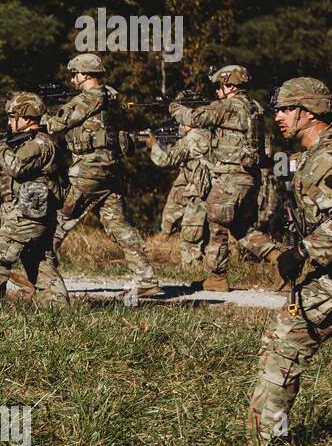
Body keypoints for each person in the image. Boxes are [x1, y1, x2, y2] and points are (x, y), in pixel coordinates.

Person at [247, 78, 332, 446]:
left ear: (309, 112)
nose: (277, 116)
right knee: (279, 347)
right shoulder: (314, 156)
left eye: (285, 109)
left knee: (282, 351)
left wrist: (303, 252)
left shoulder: (326, 159)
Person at [44, 53, 161, 297]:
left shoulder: (89, 98)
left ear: (86, 74)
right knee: (118, 225)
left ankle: (41, 274)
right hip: (109, 168)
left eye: (75, 73)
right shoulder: (110, 97)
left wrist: (36, 114)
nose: (73, 78)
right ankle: (146, 279)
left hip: (89, 168)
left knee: (58, 220)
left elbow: (55, 125)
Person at [168, 65, 270, 291]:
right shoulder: (256, 108)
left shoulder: (229, 107)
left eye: (219, 86)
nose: (217, 91)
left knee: (217, 226)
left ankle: (217, 277)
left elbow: (194, 117)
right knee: (242, 228)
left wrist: (173, 107)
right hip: (251, 178)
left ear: (230, 85)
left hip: (230, 178)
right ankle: (279, 258)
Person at [0, 92, 69, 305]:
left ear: (27, 118)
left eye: (12, 117)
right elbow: (0, 182)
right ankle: (59, 309)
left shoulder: (39, 143)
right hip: (29, 215)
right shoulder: (20, 146)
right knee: (38, 262)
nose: (9, 122)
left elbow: (16, 168)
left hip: (30, 215)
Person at [147, 123, 212, 270]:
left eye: (182, 122)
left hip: (200, 191)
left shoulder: (193, 138)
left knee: (191, 233)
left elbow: (164, 159)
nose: (179, 126)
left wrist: (154, 145)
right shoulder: (204, 135)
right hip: (197, 188)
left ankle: (193, 269)